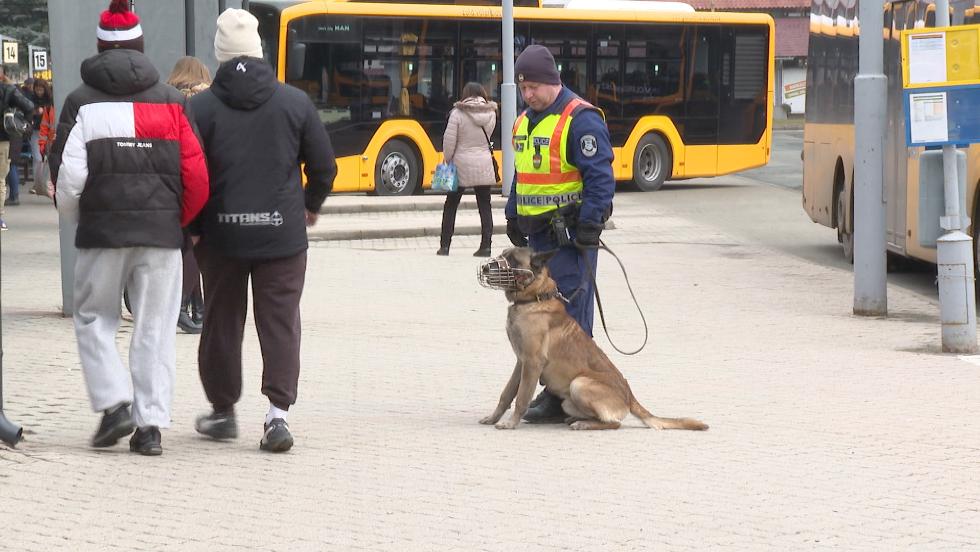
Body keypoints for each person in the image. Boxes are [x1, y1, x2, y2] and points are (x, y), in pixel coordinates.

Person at [49, 0, 210, 455]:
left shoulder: (80, 101)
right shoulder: (173, 102)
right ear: (140, 47)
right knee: (155, 328)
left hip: (102, 233)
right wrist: (178, 222)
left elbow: (69, 176)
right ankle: (150, 427)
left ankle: (114, 403)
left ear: (101, 48)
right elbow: (197, 176)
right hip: (162, 236)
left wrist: (77, 216)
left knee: (93, 318)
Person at [190, 8, 337, 453]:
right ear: (259, 51)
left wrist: (194, 226)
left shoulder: (199, 107)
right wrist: (309, 205)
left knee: (221, 320)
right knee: (280, 323)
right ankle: (277, 416)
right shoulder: (294, 102)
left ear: (219, 54)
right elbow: (325, 166)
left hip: (221, 237)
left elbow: (189, 173)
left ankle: (222, 411)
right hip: (282, 236)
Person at [503, 44, 616, 423]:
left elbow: (600, 178)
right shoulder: (524, 120)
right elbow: (522, 172)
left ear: (553, 81)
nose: (528, 94)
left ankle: (561, 394)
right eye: (523, 88)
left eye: (533, 86)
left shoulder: (580, 119)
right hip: (537, 238)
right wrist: (513, 212)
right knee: (544, 319)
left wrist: (590, 223)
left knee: (570, 320)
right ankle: (553, 391)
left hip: (570, 240)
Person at [167, 57, 212, 334]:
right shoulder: (206, 99)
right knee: (195, 245)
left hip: (171, 180)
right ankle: (184, 304)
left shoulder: (167, 97)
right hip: (199, 176)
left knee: (185, 244)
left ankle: (196, 307)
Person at [437, 82, 498, 257]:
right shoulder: (491, 113)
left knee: (451, 205)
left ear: (465, 94)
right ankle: (486, 246)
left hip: (460, 164)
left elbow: (449, 141)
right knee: (485, 205)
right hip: (484, 163)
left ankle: (445, 246)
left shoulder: (457, 113)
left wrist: (448, 159)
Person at [0, 75, 35, 230]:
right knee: (0, 179)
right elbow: (29, 106)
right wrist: (23, 125)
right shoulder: (7, 90)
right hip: (2, 139)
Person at [32, 78, 56, 198]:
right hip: (41, 133)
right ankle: (39, 183)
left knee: (49, 161)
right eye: (37, 89)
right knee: (38, 159)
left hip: (50, 136)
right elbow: (44, 126)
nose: (39, 92)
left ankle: (47, 184)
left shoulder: (51, 102)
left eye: (41, 89)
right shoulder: (33, 99)